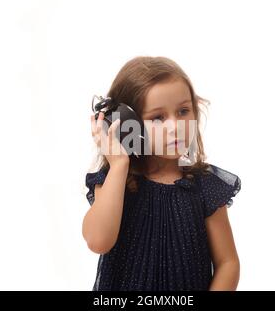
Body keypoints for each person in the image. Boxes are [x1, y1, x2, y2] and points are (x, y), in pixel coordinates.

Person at [82, 56, 241, 291]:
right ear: (127, 124)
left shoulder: (205, 186)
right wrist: (118, 165)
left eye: (183, 111)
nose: (175, 126)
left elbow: (228, 263)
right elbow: (98, 241)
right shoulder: (116, 182)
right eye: (157, 117)